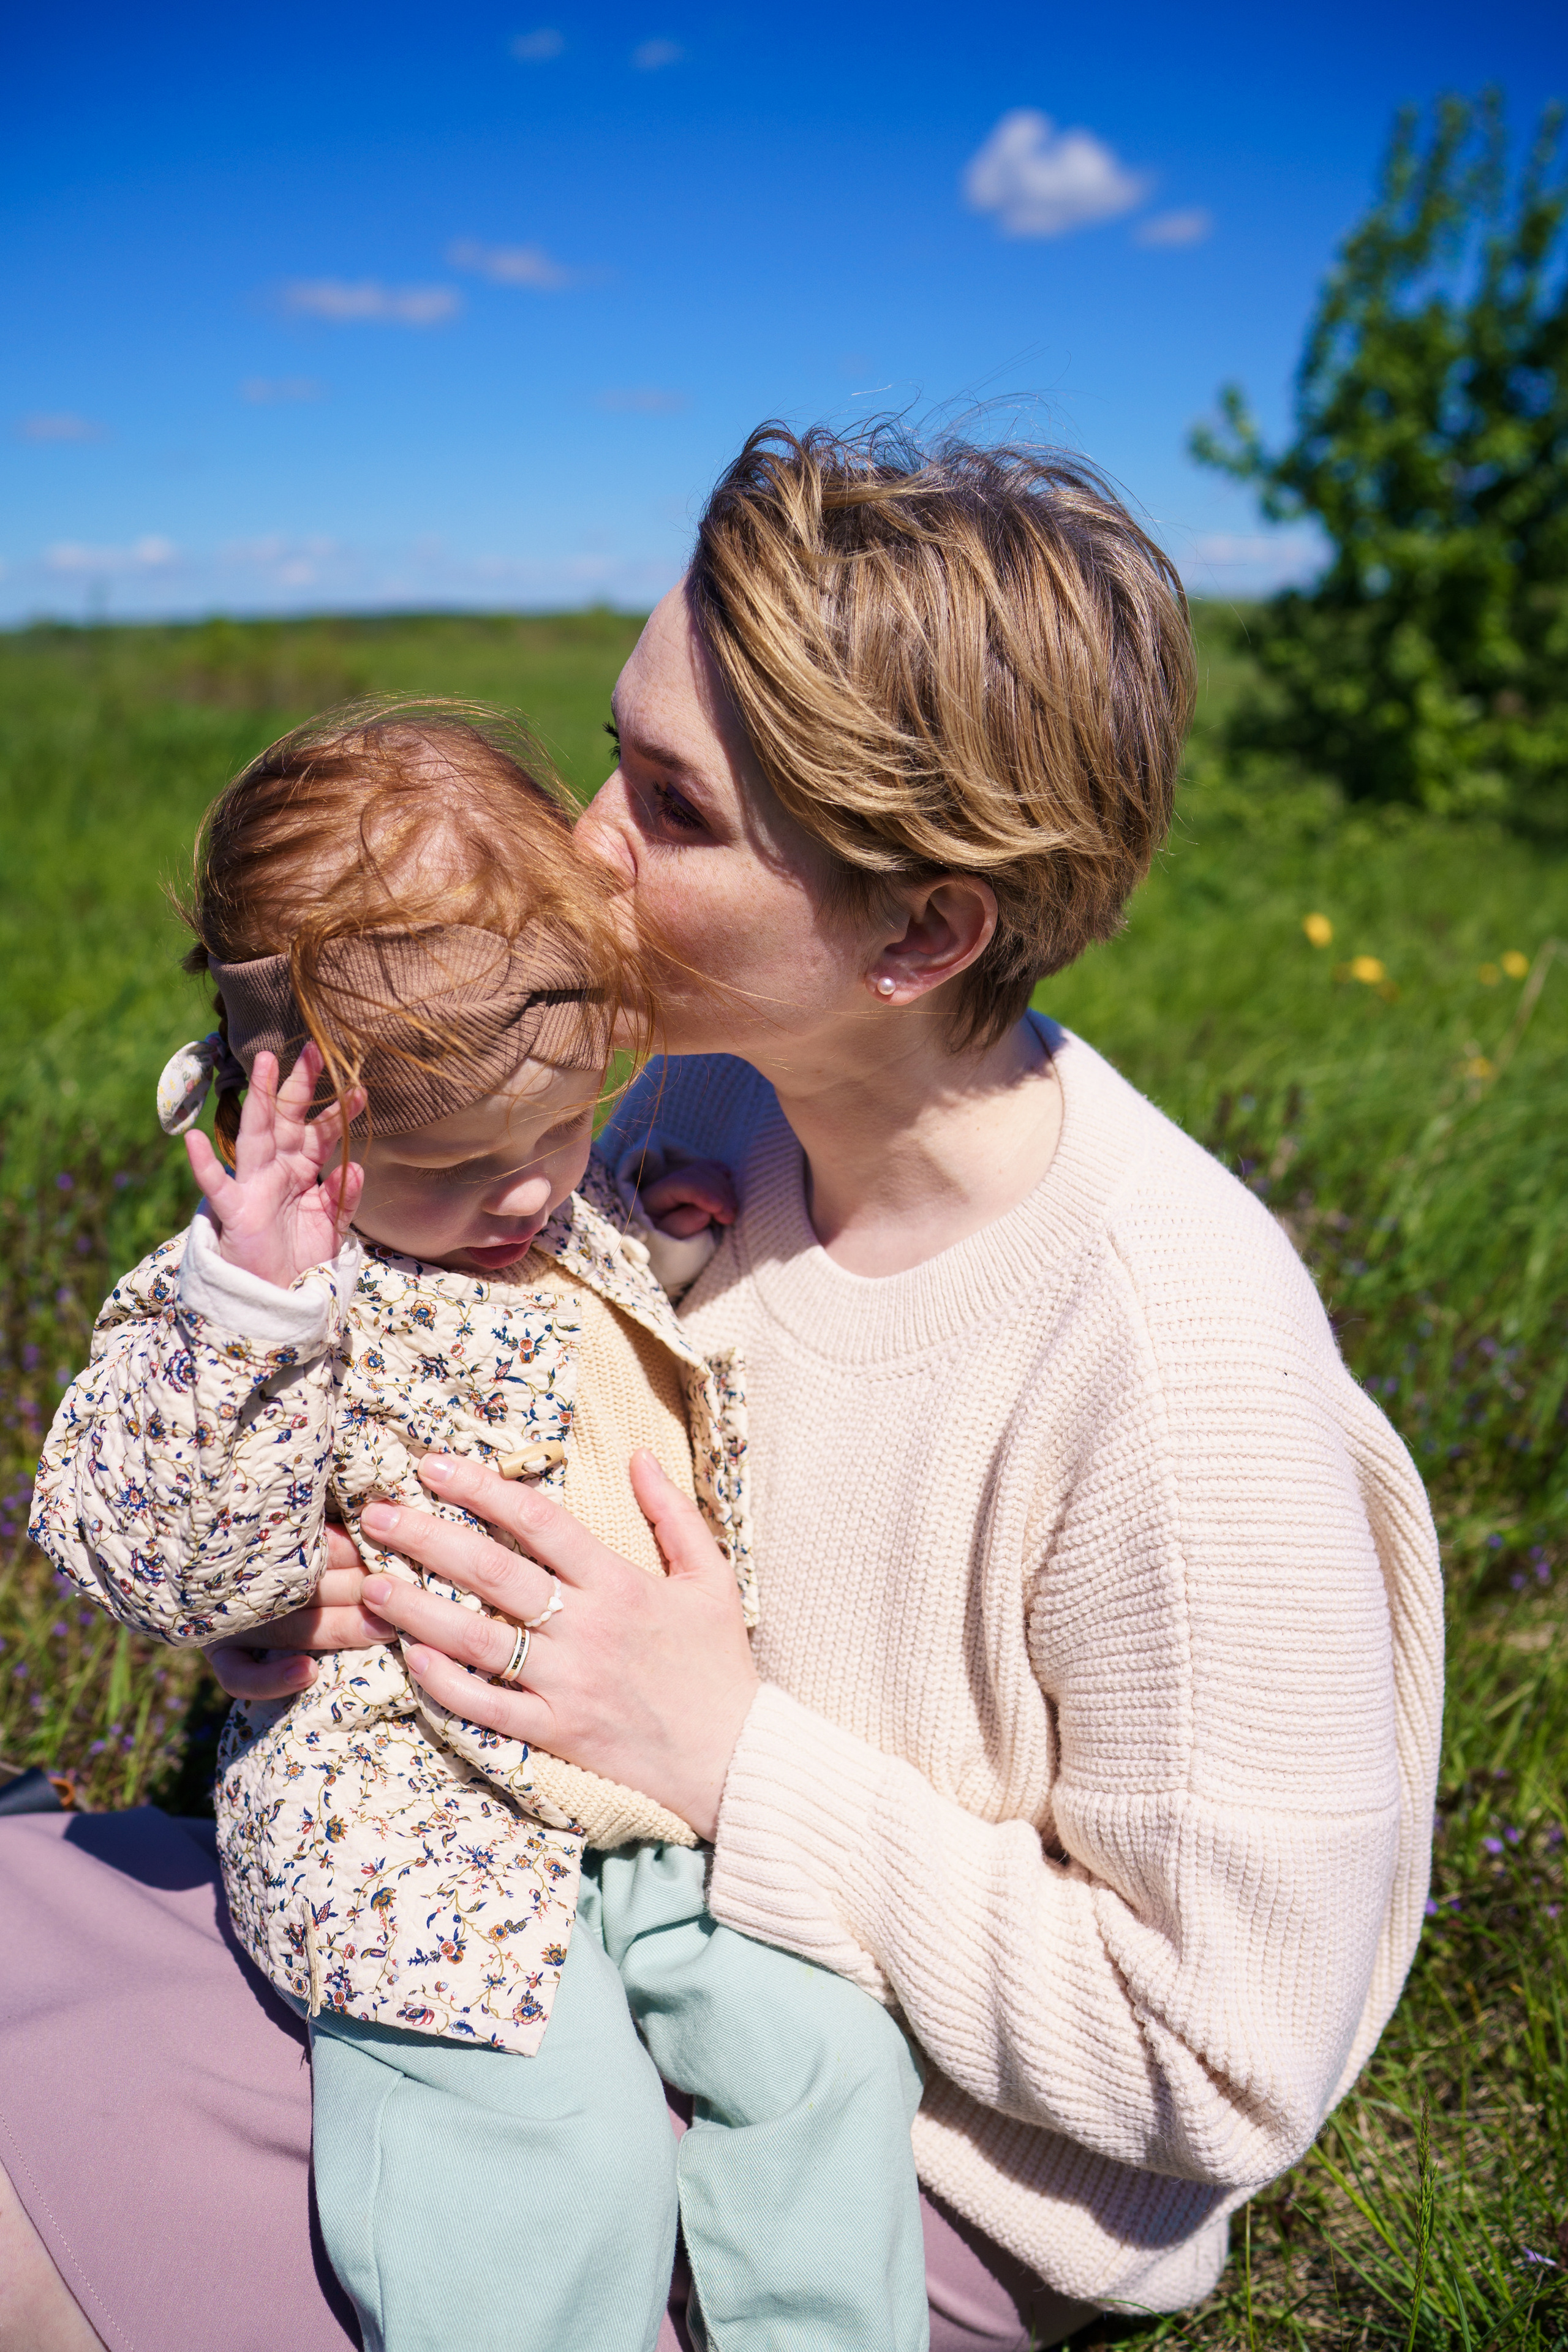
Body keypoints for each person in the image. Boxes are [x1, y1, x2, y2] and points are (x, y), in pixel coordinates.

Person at [0, 423, 1444, 2352]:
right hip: (529, 1907)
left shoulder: (1178, 1360)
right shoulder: (688, 1105)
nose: (578, 835)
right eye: (613, 742)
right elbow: (470, 1396)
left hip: (869, 2168)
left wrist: (730, 1750)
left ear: (919, 930)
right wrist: (311, 1593)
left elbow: (1229, 2066)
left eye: (669, 807)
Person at [26, 703, 927, 2352]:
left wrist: (651, 1230)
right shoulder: (257, 1301)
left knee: (830, 2059)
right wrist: (255, 1319)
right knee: (544, 2146)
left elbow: (585, 1329)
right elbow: (147, 1555)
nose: (525, 1194)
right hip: (414, 1833)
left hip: (647, 1803)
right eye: (456, 1167)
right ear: (290, 1126)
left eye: (563, 1130)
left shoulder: (554, 1206)